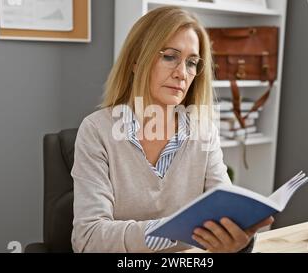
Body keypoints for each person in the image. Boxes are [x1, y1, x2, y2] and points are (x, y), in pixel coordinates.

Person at [71, 6, 273, 253]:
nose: (182, 73)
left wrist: (239, 241)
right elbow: (88, 239)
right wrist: (174, 229)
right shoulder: (96, 131)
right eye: (169, 56)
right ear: (136, 61)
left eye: (191, 63)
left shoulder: (203, 132)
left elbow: (225, 212)